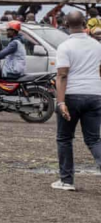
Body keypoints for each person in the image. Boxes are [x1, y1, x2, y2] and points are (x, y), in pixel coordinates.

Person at [52, 11, 101, 191]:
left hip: (72, 96)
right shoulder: (97, 45)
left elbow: (62, 75)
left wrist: (60, 102)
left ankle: (66, 181)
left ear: (65, 23)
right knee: (94, 140)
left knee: (64, 138)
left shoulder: (65, 46)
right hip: (95, 95)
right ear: (85, 23)